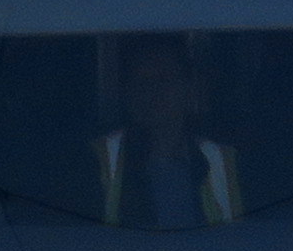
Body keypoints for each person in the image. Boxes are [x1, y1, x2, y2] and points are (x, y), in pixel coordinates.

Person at [91, 38, 242, 231]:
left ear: (188, 88)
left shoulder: (225, 161)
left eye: (165, 80)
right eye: (143, 81)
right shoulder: (97, 159)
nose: (154, 91)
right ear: (127, 92)